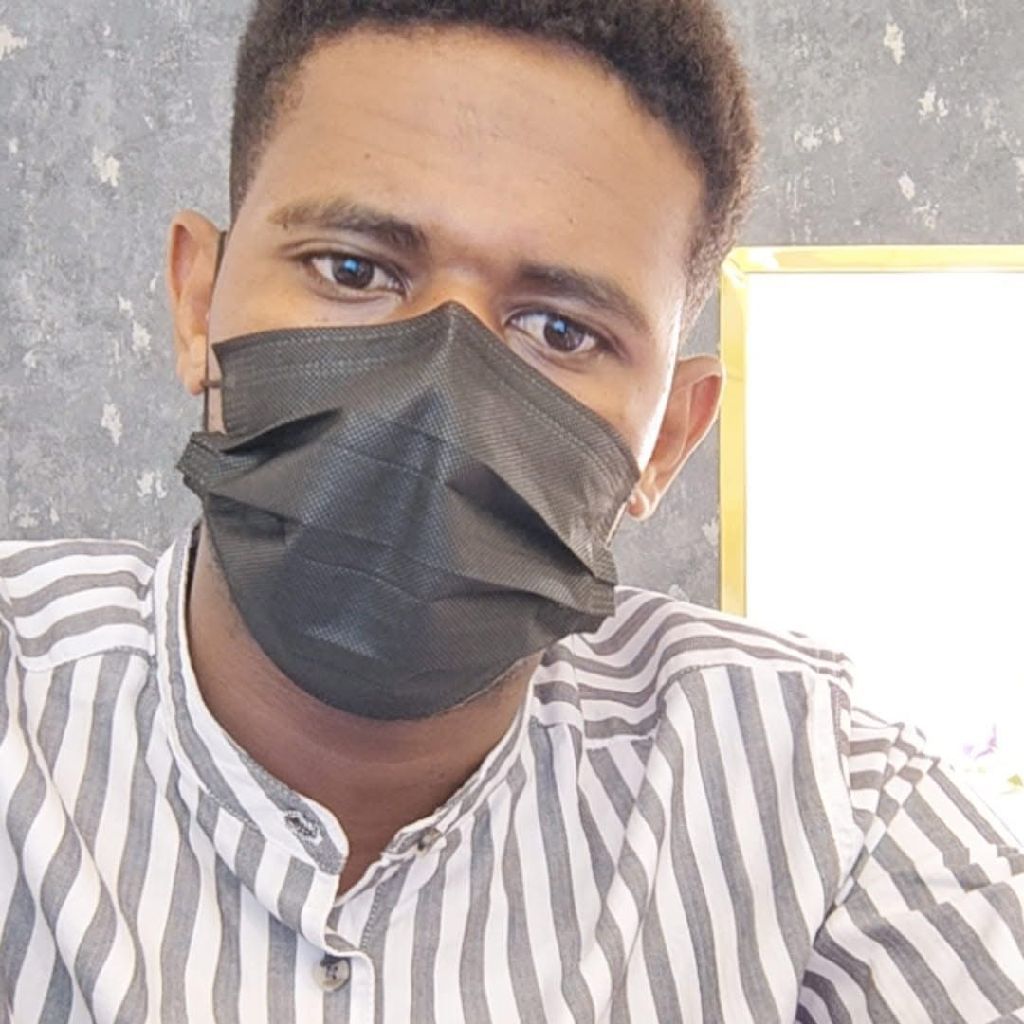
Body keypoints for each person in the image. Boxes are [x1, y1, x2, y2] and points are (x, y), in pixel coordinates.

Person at [1, 0, 1022, 1020]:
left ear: (667, 441)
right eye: (353, 270)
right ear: (197, 300)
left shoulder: (824, 813)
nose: (436, 394)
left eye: (559, 330)